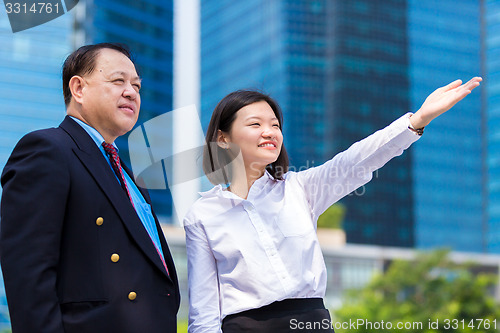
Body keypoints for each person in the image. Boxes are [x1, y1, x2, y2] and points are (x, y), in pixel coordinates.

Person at [183, 77, 482, 332]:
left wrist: (417, 121)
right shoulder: (203, 214)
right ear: (223, 138)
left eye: (275, 124)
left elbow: (356, 161)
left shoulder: (300, 189)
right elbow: (204, 311)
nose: (270, 132)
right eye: (255, 123)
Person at [0, 43, 180, 332]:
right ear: (78, 89)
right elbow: (28, 276)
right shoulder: (48, 149)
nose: (132, 92)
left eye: (136, 85)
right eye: (118, 81)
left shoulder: (129, 177)